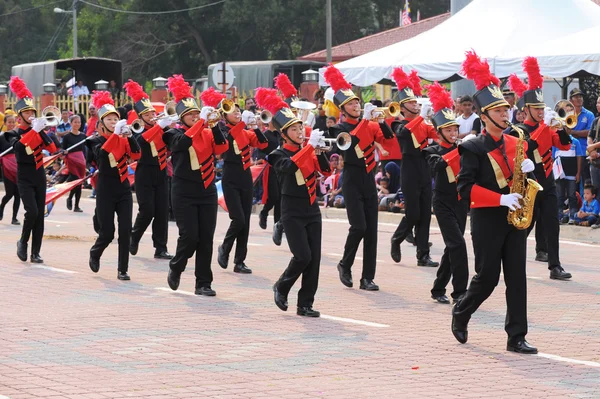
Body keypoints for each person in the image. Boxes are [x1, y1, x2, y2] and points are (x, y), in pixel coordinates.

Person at [452, 51, 537, 354]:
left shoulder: (516, 142)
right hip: (487, 218)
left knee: (517, 277)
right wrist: (500, 198)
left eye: (506, 110)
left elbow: (521, 180)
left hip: (514, 217)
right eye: (499, 111)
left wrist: (529, 172)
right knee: (487, 278)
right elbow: (464, 188)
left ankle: (516, 336)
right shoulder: (472, 146)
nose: (506, 115)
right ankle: (461, 312)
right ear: (484, 116)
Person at [257, 88, 331, 317]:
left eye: (301, 128)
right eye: (295, 129)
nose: (300, 132)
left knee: (314, 259)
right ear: (284, 134)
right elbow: (289, 168)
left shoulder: (306, 150)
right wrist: (309, 148)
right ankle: (282, 285)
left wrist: (318, 152)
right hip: (292, 210)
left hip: (311, 208)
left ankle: (305, 303)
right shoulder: (277, 154)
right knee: (303, 256)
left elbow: (326, 171)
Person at [323, 64, 395, 291]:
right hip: (351, 178)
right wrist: (365, 120)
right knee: (359, 226)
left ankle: (367, 278)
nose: (357, 106)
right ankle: (345, 264)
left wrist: (382, 121)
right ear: (343, 109)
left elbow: (389, 140)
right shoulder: (339, 126)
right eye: (352, 104)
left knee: (371, 229)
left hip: (368, 178)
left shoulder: (370, 123)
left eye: (357, 103)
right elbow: (350, 143)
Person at [163, 76, 229, 296]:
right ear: (183, 117)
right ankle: (177, 265)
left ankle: (203, 282)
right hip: (183, 192)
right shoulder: (174, 133)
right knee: (189, 236)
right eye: (191, 114)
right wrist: (201, 122)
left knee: (206, 238)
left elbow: (221, 148)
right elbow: (182, 144)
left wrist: (216, 124)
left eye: (196, 113)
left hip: (207, 190)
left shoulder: (208, 132)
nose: (195, 116)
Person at [509, 57, 572, 281]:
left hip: (548, 180)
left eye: (540, 107)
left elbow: (564, 145)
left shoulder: (547, 125)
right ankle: (509, 259)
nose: (539, 111)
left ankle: (555, 266)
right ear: (526, 109)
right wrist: (544, 125)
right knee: (526, 225)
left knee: (552, 225)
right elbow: (528, 146)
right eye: (535, 108)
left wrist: (562, 126)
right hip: (529, 183)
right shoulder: (519, 129)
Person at [422, 82, 469, 305]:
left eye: (455, 129)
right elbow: (438, 166)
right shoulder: (431, 151)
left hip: (461, 202)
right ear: (440, 131)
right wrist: (458, 150)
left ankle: (438, 287)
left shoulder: (463, 148)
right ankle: (460, 292)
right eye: (449, 130)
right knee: (458, 245)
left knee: (454, 246)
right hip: (442, 203)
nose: (453, 133)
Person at [86, 91, 140, 280]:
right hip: (105, 190)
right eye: (109, 119)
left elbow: (136, 155)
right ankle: (96, 252)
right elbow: (101, 155)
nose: (113, 122)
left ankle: (122, 269)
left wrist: (130, 136)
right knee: (107, 232)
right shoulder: (95, 140)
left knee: (125, 231)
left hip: (123, 189)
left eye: (115, 119)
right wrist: (115, 135)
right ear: (101, 123)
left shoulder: (123, 138)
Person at [213, 87, 268, 274]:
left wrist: (255, 127)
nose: (237, 113)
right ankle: (225, 248)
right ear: (224, 116)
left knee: (245, 219)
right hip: (230, 176)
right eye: (233, 112)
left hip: (245, 176)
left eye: (238, 111)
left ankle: (240, 261)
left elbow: (263, 144)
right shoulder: (223, 131)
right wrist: (242, 124)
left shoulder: (245, 131)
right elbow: (224, 146)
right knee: (237, 218)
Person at [389, 68, 438, 267]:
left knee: (426, 213)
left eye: (416, 102)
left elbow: (436, 136)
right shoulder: (398, 123)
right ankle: (397, 238)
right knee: (414, 214)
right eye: (411, 103)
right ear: (402, 107)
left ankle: (423, 255)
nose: (416, 105)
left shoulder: (424, 122)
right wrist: (420, 118)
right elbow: (404, 133)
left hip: (424, 166)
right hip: (409, 168)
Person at [5, 77, 57, 263]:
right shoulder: (12, 133)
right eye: (27, 112)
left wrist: (41, 130)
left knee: (40, 216)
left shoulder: (38, 130)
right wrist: (34, 131)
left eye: (32, 111)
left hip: (39, 176)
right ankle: (23, 241)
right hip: (24, 177)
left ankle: (36, 252)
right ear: (20, 116)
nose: (30, 115)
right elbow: (19, 149)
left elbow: (53, 149)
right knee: (32, 212)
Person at [123, 80, 173, 260]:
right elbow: (140, 142)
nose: (153, 115)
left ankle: (160, 247)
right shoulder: (136, 128)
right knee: (147, 210)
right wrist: (158, 127)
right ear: (140, 117)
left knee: (162, 210)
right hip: (144, 172)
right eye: (148, 114)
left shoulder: (162, 127)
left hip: (161, 172)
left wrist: (169, 126)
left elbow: (173, 143)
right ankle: (134, 237)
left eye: (153, 112)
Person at [554, 133, 584, 224]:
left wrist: (578, 173)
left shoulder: (575, 142)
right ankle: (559, 216)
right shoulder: (556, 141)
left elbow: (579, 157)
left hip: (571, 173)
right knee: (559, 195)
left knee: (572, 195)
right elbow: (553, 158)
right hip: (559, 174)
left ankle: (572, 216)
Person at [569, 88, 595, 191]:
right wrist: (579, 133)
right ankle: (574, 204)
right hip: (570, 152)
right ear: (571, 100)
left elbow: (589, 133)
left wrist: (573, 132)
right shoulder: (568, 114)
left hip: (584, 152)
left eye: (580, 96)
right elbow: (564, 131)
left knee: (585, 180)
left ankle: (586, 204)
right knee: (572, 180)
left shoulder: (589, 114)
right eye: (576, 97)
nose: (579, 98)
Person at [257, 121, 281, 231]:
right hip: (270, 168)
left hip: (281, 168)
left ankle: (278, 224)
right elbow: (260, 152)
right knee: (273, 196)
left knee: (281, 197)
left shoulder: (281, 135)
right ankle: (264, 212)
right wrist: (266, 157)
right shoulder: (265, 135)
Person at [61, 114, 87, 212]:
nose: (77, 124)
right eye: (75, 122)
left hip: (81, 160)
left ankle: (76, 205)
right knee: (76, 179)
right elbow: (62, 148)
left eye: (79, 122)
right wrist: (64, 151)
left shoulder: (83, 136)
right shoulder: (67, 136)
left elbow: (84, 149)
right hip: (71, 160)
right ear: (71, 123)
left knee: (79, 183)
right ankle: (70, 198)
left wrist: (85, 161)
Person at [0, 114, 20, 224]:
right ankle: (1, 207)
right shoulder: (1, 137)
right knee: (9, 194)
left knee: (18, 194)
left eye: (13, 122)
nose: (11, 124)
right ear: (5, 123)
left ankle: (14, 218)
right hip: (7, 168)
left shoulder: (19, 137)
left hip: (18, 167)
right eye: (9, 122)